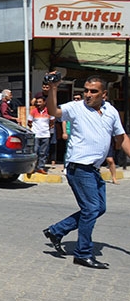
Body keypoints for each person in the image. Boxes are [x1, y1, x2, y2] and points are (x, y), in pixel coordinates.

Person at [43, 75, 129, 269]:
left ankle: (57, 230)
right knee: (91, 209)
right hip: (79, 166)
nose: (88, 94)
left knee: (99, 208)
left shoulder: (111, 112)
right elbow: (53, 111)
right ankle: (82, 253)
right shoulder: (76, 108)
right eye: (86, 90)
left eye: (93, 91)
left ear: (104, 94)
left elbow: (122, 138)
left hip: (94, 169)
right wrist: (53, 89)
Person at [27, 93, 54, 175]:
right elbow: (29, 122)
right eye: (37, 102)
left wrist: (46, 129)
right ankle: (32, 167)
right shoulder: (33, 111)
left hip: (45, 135)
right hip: (36, 135)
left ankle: (41, 167)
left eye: (40, 102)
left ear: (44, 102)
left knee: (43, 152)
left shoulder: (49, 111)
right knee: (34, 152)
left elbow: (52, 122)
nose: (38, 104)